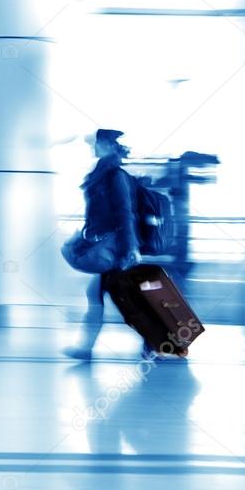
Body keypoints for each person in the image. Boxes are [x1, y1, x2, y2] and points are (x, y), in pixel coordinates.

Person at [63, 129, 143, 360]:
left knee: (120, 300)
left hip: (115, 250)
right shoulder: (102, 174)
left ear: (107, 144)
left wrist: (130, 248)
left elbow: (125, 213)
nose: (92, 146)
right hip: (108, 247)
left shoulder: (115, 176)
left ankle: (152, 341)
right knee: (108, 297)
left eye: (95, 143)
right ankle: (87, 348)